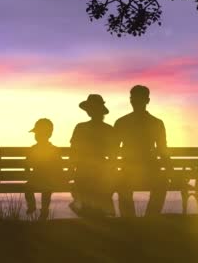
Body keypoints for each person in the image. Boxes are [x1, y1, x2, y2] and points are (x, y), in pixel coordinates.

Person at [113, 85, 168, 217]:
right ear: (147, 101)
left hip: (128, 171)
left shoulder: (121, 122)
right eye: (133, 98)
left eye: (134, 98)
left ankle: (129, 221)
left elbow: (113, 150)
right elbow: (162, 151)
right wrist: (169, 170)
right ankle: (150, 219)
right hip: (151, 171)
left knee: (123, 185)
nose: (133, 101)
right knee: (162, 184)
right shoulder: (157, 123)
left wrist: (112, 170)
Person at [69, 94, 115, 217]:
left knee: (86, 182)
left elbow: (74, 150)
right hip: (102, 172)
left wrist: (71, 169)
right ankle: (99, 213)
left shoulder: (80, 127)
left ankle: (86, 212)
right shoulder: (109, 129)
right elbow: (113, 154)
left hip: (83, 171)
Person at [25, 118, 61, 220]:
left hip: (37, 178)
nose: (36, 136)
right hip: (50, 179)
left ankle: (31, 205)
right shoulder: (54, 149)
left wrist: (29, 173)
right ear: (50, 134)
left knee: (28, 187)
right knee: (47, 190)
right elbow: (59, 165)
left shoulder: (33, 149)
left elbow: (27, 164)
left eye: (37, 133)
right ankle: (44, 209)